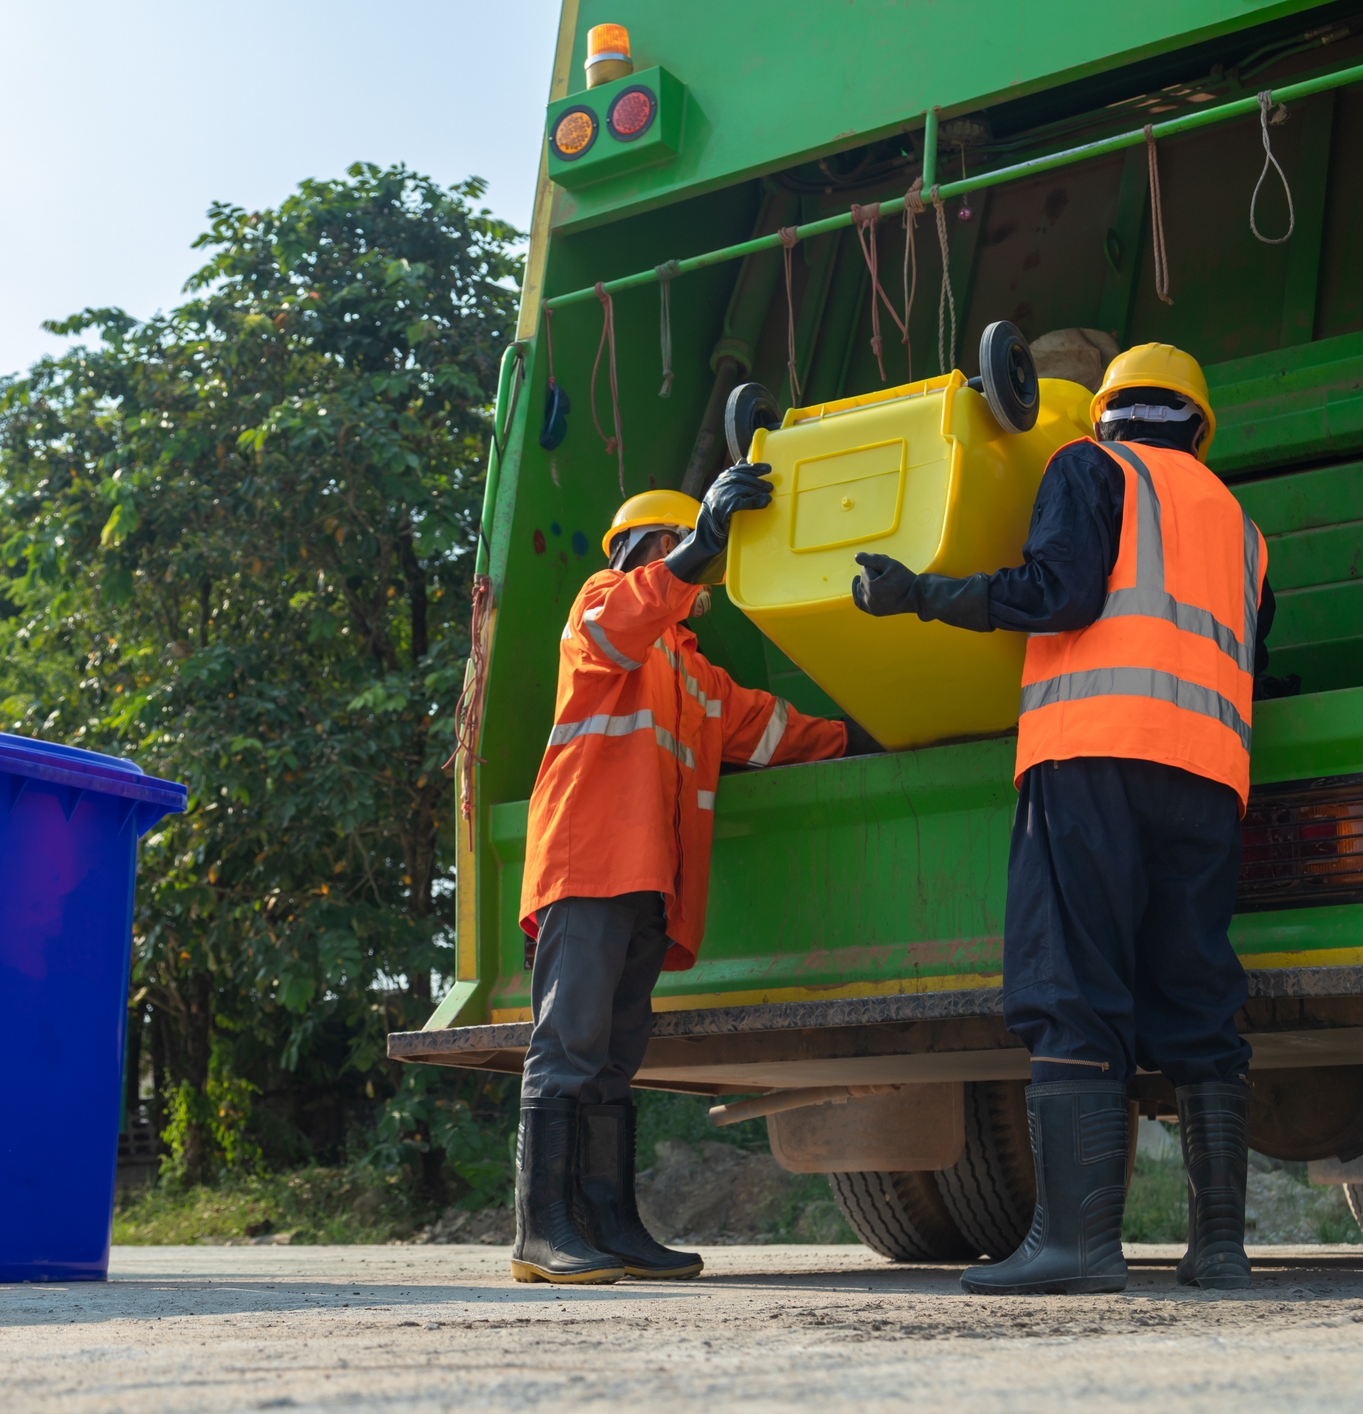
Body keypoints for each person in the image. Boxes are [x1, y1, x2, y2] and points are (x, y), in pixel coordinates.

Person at [849, 343, 1295, 1296]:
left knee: (1072, 982)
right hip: (1208, 775)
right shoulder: (1242, 527)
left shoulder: (1093, 467)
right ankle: (1219, 1249)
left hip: (1092, 753)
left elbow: (1058, 594)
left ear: (1108, 413)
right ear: (1196, 422)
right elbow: (1250, 653)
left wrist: (917, 595)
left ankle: (1076, 1245)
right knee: (1197, 991)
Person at [511, 467, 873, 1284]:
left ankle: (605, 1223)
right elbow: (620, 624)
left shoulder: (694, 675)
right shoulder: (601, 606)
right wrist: (700, 545)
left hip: (645, 879)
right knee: (567, 1045)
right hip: (588, 862)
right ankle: (541, 1234)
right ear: (650, 549)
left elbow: (780, 732)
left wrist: (872, 733)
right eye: (683, 545)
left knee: (612, 1054)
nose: (695, 565)